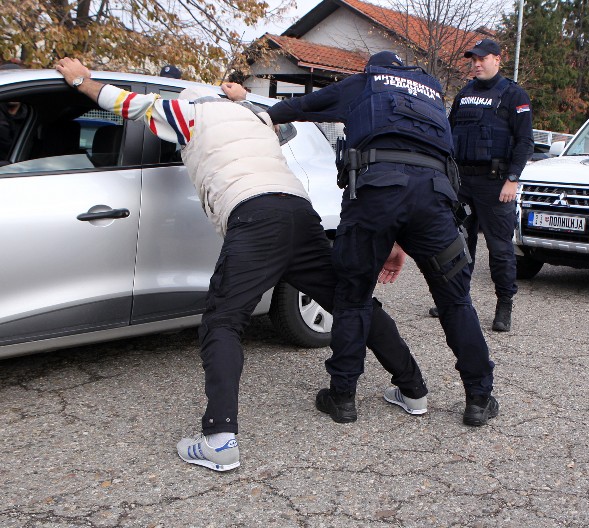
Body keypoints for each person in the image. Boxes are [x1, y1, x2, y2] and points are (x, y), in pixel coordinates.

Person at [54, 57, 428, 471]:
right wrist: (242, 97)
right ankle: (413, 389)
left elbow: (128, 104)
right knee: (347, 301)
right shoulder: (254, 119)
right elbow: (274, 114)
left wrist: (81, 80)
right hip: (298, 213)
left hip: (255, 216)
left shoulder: (188, 112)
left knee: (223, 319)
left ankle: (219, 439)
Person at [224, 51, 499, 427]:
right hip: (434, 201)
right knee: (456, 301)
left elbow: (297, 107)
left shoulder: (366, 84)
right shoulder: (434, 96)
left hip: (375, 194)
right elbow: (422, 161)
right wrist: (402, 239)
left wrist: (245, 103)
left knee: (352, 298)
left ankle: (343, 398)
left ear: (373, 68)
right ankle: (479, 399)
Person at [428, 39, 534, 332]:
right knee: (458, 244)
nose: (476, 63)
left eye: (482, 58)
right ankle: (455, 299)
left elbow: (526, 142)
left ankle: (504, 305)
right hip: (463, 181)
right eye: (472, 59)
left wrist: (513, 179)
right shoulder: (464, 94)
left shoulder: (514, 94)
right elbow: (449, 137)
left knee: (500, 249)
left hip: (496, 183)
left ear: (498, 59)